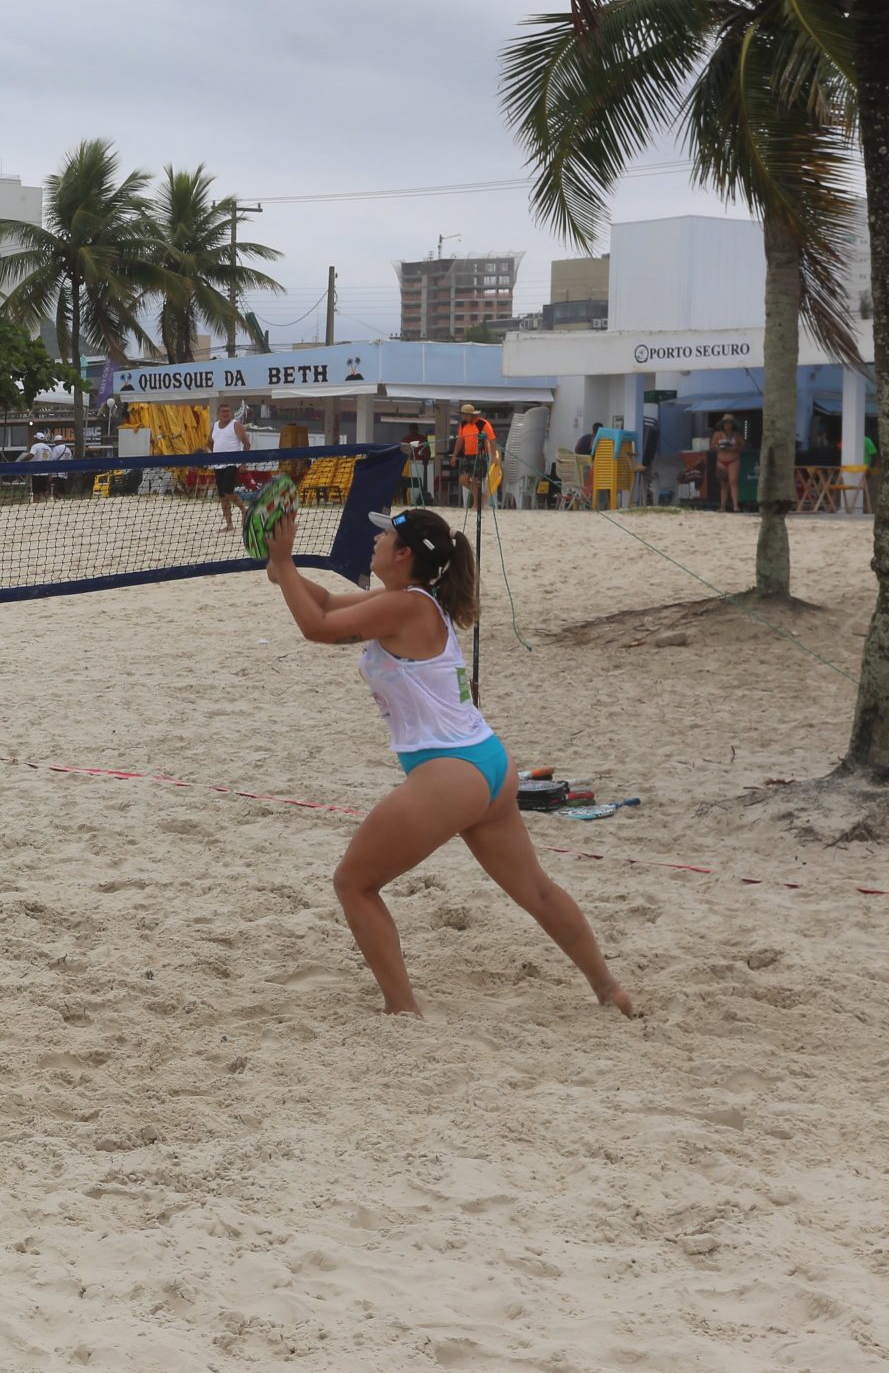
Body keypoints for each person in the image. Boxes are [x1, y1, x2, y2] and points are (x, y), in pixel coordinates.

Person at [262, 504, 634, 1019]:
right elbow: (322, 601)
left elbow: (317, 627)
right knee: (538, 892)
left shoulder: (407, 607)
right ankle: (610, 988)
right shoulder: (408, 602)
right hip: (488, 765)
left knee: (355, 883)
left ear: (405, 553)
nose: (375, 543)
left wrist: (283, 564)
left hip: (452, 773)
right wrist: (285, 570)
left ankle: (402, 1010)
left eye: (384, 537)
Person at [212, 401, 251, 531]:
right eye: (223, 412)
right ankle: (229, 524)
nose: (226, 414)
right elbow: (208, 442)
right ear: (218, 414)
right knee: (222, 496)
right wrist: (211, 455)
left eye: (228, 411)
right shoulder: (215, 426)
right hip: (218, 465)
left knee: (227, 491)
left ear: (232, 413)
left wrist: (243, 463)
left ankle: (244, 510)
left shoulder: (235, 425)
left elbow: (246, 444)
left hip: (232, 463)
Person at [454, 405, 499, 509]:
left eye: (465, 415)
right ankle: (482, 497)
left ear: (471, 415)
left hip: (481, 455)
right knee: (463, 480)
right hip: (467, 455)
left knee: (475, 480)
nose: (463, 417)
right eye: (463, 415)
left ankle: (476, 504)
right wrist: (455, 455)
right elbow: (460, 440)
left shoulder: (483, 424)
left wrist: (493, 456)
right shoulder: (463, 424)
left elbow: (492, 440)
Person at [710, 415, 743, 512]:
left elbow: (743, 445)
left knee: (733, 481)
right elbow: (712, 446)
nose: (727, 425)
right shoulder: (717, 434)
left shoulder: (736, 435)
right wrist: (717, 447)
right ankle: (722, 506)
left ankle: (735, 506)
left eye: (729, 423)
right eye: (726, 423)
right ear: (723, 425)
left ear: (732, 424)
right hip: (721, 460)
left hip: (733, 460)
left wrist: (735, 447)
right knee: (723, 484)